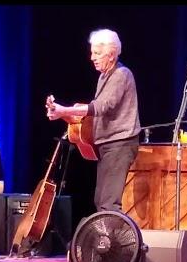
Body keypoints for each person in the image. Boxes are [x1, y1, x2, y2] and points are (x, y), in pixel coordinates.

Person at [46, 29, 141, 213]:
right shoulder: (103, 77)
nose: (92, 57)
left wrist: (64, 109)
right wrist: (61, 113)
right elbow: (90, 116)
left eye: (97, 53)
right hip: (107, 146)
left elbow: (101, 107)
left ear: (111, 55)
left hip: (120, 144)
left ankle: (115, 242)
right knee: (100, 201)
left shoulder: (122, 75)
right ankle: (106, 241)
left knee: (109, 203)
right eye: (92, 52)